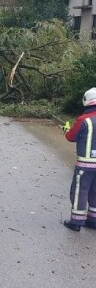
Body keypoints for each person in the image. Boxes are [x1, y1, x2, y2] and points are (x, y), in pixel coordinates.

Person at [62, 88, 96, 231]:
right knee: (95, 191)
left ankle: (76, 222)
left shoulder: (83, 120)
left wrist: (66, 129)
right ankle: (93, 220)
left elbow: (71, 137)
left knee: (80, 190)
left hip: (85, 164)